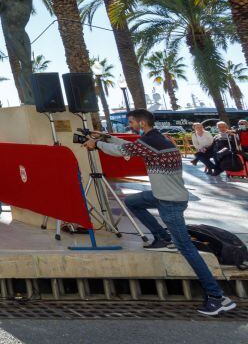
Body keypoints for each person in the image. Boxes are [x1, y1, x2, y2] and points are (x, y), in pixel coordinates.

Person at [86, 109, 236, 317]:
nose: (130, 125)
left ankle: (217, 297)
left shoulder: (152, 141)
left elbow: (122, 151)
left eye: (131, 122)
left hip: (170, 202)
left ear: (141, 122)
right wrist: (105, 137)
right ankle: (162, 237)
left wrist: (98, 144)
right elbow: (128, 146)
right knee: (133, 202)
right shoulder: (151, 139)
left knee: (187, 248)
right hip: (162, 195)